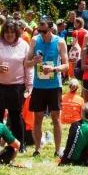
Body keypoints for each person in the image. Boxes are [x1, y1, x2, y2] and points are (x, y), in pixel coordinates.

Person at [26, 17, 67, 157]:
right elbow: (26, 63)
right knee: (37, 117)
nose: (40, 32)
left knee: (56, 117)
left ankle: (58, 149)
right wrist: (33, 61)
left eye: (43, 29)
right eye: (39, 29)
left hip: (54, 85)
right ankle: (37, 149)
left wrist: (54, 69)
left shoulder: (60, 42)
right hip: (38, 86)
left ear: (50, 28)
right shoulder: (35, 41)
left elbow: (66, 65)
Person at [0, 22, 31, 145]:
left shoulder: (24, 45)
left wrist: (29, 85)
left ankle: (19, 144)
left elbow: (28, 67)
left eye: (12, 32)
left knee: (15, 116)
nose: (9, 35)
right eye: (6, 32)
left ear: (17, 33)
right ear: (3, 33)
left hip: (16, 86)